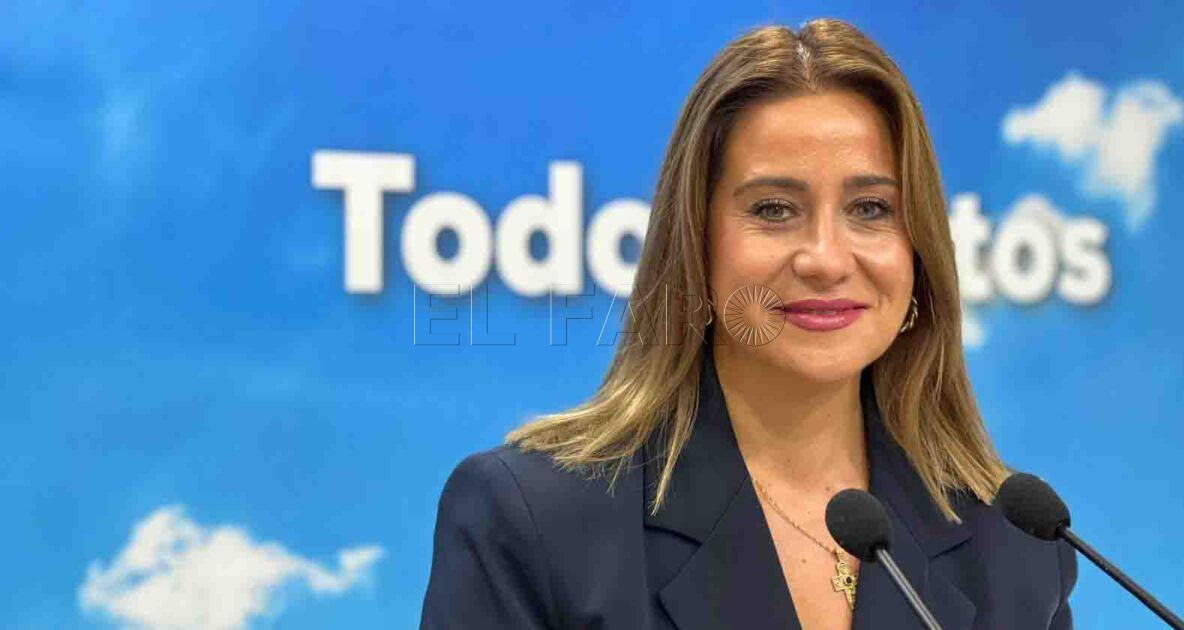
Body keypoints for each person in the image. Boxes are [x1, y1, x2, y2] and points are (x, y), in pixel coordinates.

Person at [420, 17, 1076, 630]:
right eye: (773, 209)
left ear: (919, 250)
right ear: (695, 243)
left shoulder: (1016, 548)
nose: (826, 259)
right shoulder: (534, 521)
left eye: (871, 209)